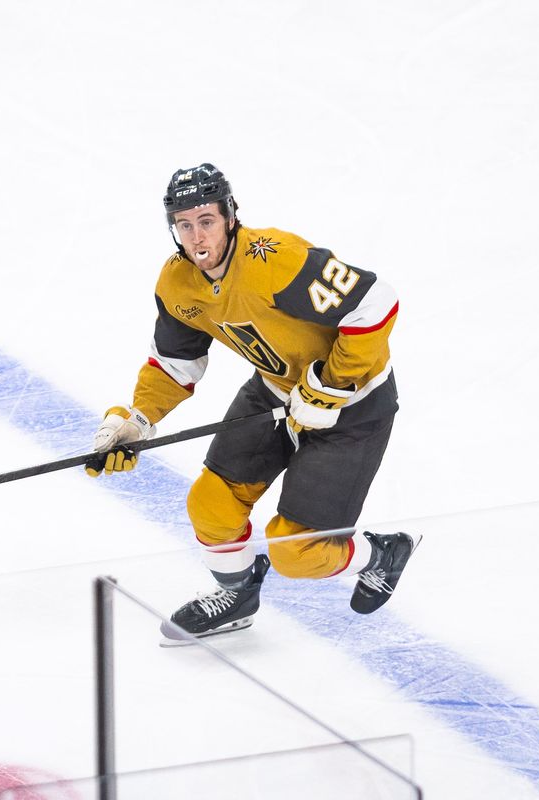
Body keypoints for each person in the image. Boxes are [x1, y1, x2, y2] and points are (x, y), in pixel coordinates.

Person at [86, 163, 418, 644]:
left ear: (230, 216)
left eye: (206, 220)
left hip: (354, 409)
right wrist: (137, 422)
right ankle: (238, 594)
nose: (197, 236)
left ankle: (383, 554)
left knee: (296, 552)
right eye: (184, 224)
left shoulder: (274, 258)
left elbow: (376, 302)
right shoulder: (178, 283)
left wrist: (330, 384)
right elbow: (176, 363)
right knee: (210, 505)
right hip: (276, 391)